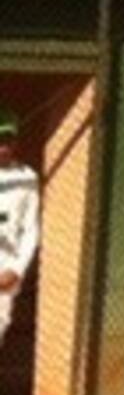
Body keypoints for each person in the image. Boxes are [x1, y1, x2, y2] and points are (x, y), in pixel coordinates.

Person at [0, 108, 40, 350]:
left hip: (4, 270)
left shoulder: (26, 178)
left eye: (6, 140)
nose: (2, 147)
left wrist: (16, 269)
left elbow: (30, 230)